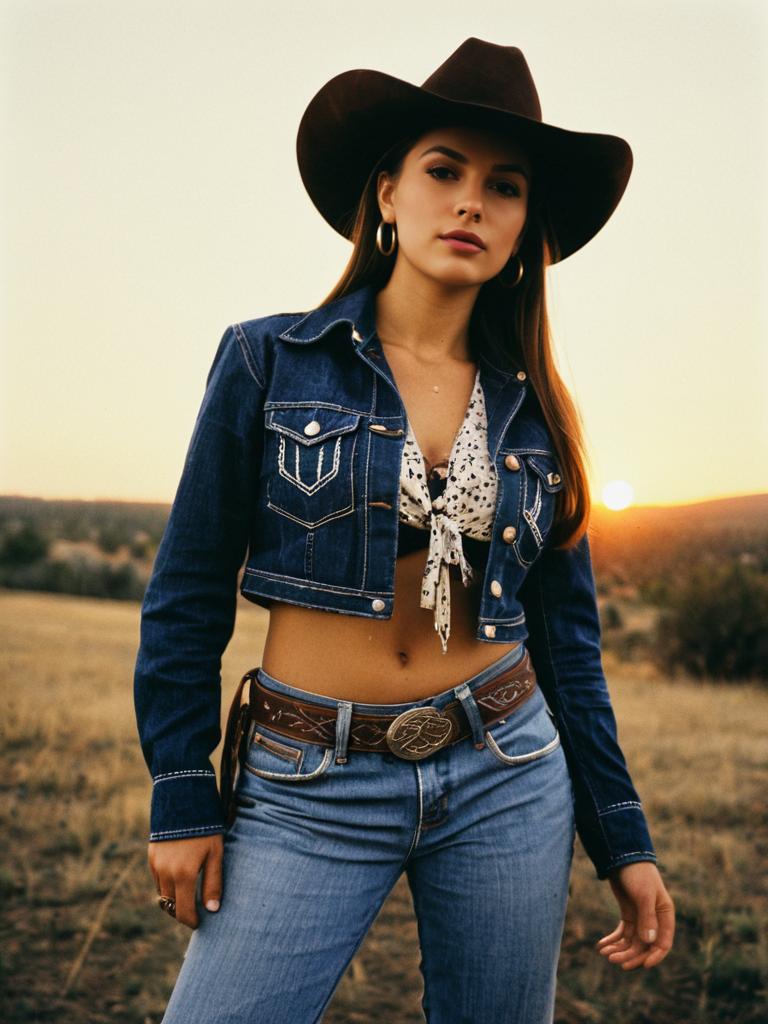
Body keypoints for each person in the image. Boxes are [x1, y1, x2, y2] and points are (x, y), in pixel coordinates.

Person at [133, 37, 675, 1024]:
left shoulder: (535, 413)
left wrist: (623, 839)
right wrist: (180, 791)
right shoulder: (269, 362)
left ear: (523, 228)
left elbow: (570, 647)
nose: (471, 201)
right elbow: (186, 592)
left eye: (504, 186)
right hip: (308, 784)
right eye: (444, 170)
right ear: (385, 193)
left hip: (505, 771)